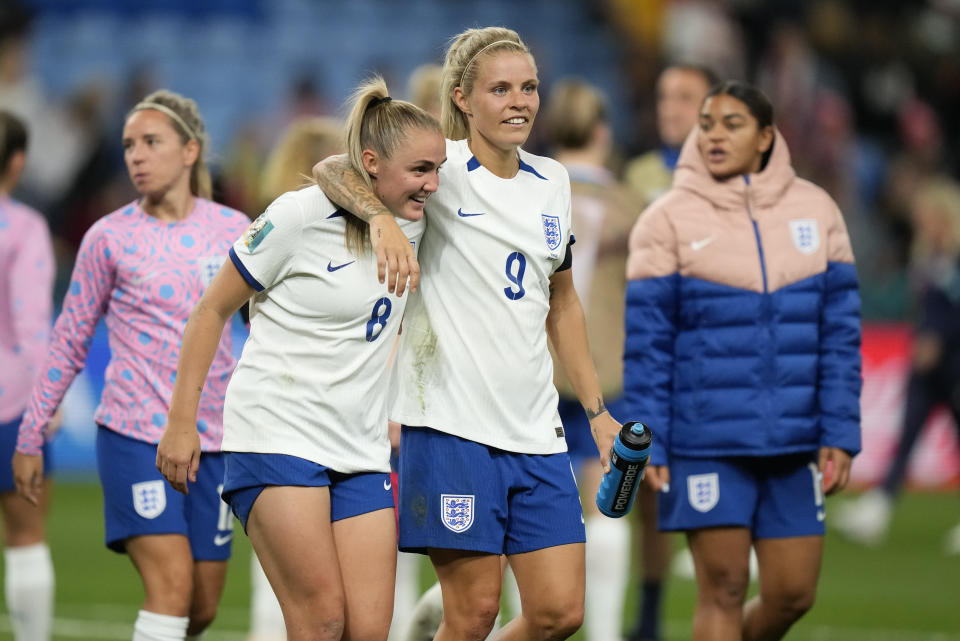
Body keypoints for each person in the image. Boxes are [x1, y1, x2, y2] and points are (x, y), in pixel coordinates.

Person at [314, 26, 623, 641]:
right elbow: (330, 167)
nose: (520, 101)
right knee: (476, 613)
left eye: (529, 88)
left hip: (536, 428)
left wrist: (596, 412)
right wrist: (379, 218)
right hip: (452, 427)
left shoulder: (552, 182)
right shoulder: (443, 166)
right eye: (500, 88)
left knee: (561, 613)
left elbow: (561, 302)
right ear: (462, 98)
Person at [156, 76, 445, 641]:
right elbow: (211, 311)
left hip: (358, 445)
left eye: (436, 171)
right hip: (276, 433)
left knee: (366, 630)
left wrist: (390, 214)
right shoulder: (298, 217)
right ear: (370, 162)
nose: (433, 184)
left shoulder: (420, 219)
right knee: (321, 621)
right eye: (420, 171)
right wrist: (182, 421)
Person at [624, 81, 861, 641]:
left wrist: (841, 430)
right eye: (707, 123)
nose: (714, 134)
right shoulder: (666, 219)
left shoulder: (818, 210)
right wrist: (648, 437)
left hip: (795, 440)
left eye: (732, 124)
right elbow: (647, 345)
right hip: (706, 441)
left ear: (766, 137)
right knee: (724, 589)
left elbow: (840, 335)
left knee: (792, 594)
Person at [13, 89, 250, 641]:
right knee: (169, 588)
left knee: (202, 607)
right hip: (135, 434)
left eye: (151, 142)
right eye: (128, 146)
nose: (135, 156)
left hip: (214, 440)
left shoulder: (235, 228)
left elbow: (263, 324)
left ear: (190, 151)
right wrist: (30, 434)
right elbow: (69, 337)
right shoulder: (109, 237)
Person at [541, 78, 640, 641]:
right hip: (606, 371)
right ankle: (604, 634)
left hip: (536, 369)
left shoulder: (532, 191)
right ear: (603, 132)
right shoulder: (630, 205)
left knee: (524, 502)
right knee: (609, 502)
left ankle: (521, 625)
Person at [621, 62, 714, 641]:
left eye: (685, 96)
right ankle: (650, 614)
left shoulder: (736, 178)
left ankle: (715, 604)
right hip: (651, 358)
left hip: (710, 362)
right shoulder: (636, 178)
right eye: (663, 96)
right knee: (648, 491)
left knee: (712, 489)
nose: (670, 107)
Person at [245, 114, 345, 641]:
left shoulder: (267, 224)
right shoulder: (305, 224)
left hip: (282, 412)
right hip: (328, 412)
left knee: (282, 582)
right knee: (326, 596)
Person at [834, 176, 960, 553]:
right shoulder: (928, 256)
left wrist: (942, 338)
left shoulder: (954, 257)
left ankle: (878, 509)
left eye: (926, 214)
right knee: (905, 438)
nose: (920, 221)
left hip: (954, 364)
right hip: (926, 366)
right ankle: (878, 510)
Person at [0, 110, 55, 641]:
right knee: (25, 534)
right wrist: (47, 402)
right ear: (17, 162)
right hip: (11, 404)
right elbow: (32, 324)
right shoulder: (23, 228)